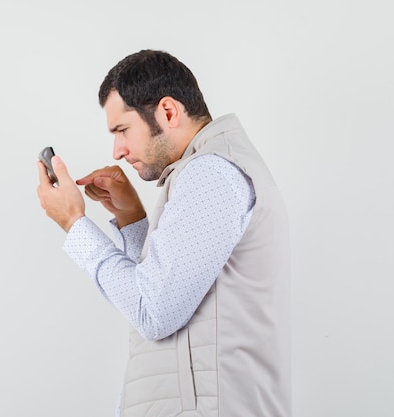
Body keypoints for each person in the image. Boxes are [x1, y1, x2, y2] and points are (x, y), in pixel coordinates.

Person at [36, 49, 291, 417]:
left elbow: (154, 312)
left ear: (168, 112)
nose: (118, 150)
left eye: (122, 130)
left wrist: (74, 224)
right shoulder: (210, 169)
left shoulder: (210, 174)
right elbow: (170, 287)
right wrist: (133, 220)